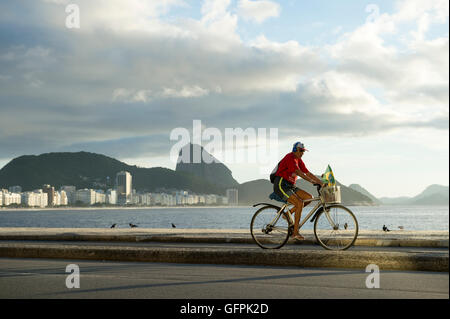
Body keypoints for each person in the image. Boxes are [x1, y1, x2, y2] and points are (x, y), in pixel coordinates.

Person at [273, 142, 325, 240]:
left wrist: (321, 182)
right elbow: (298, 172)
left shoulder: (299, 160)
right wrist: (311, 181)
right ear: (295, 150)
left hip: (291, 186)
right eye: (301, 151)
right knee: (299, 203)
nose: (302, 153)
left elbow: (307, 172)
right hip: (281, 184)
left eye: (303, 151)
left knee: (309, 198)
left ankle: (288, 214)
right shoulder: (290, 157)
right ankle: (295, 233)